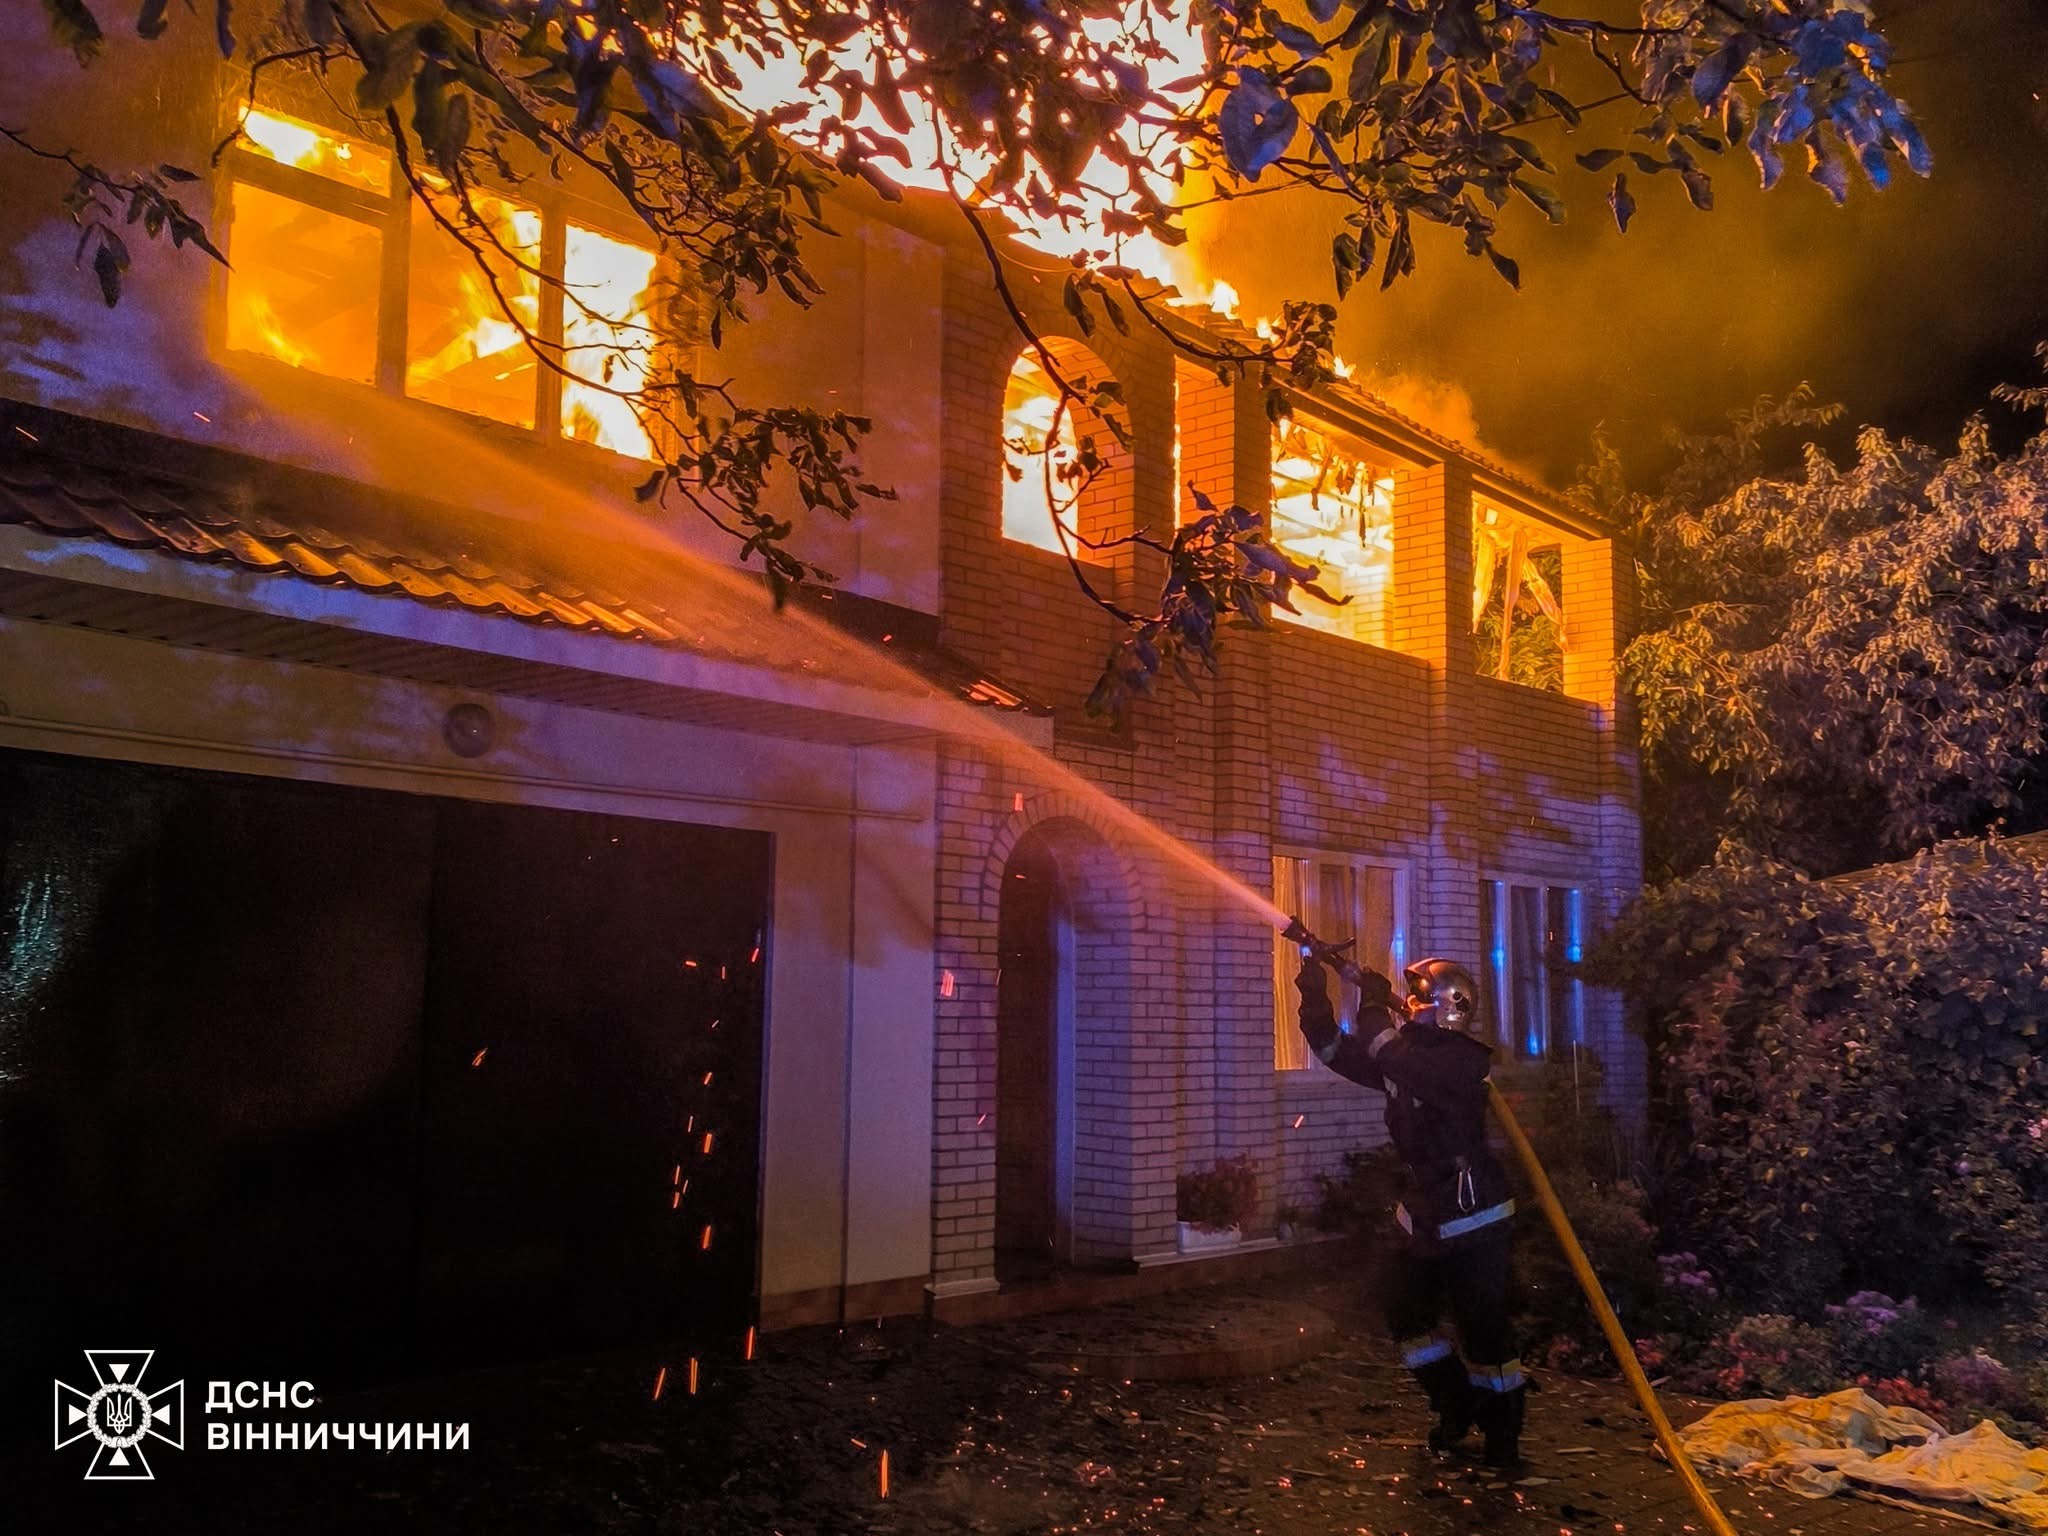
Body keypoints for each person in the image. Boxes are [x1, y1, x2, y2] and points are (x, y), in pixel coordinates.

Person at [1296, 948, 1525, 1466]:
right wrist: (1315, 998)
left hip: (1474, 1215)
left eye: (1418, 993)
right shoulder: (1407, 1056)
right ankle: (1455, 1403)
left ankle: (1503, 1428)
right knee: (1404, 1313)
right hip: (1423, 1209)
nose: (1410, 1002)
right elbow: (1338, 1052)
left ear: (1447, 1004)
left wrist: (1373, 1004)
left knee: (1483, 1328)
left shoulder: (1462, 1060)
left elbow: (1390, 1053)